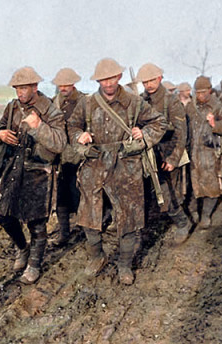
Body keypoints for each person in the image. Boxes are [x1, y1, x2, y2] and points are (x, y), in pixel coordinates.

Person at [67, 58, 166, 285]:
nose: (108, 83)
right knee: (89, 216)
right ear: (98, 80)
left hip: (126, 165)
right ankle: (97, 257)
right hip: (95, 165)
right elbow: (71, 126)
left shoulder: (134, 102)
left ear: (119, 77)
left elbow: (159, 123)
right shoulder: (87, 103)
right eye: (104, 79)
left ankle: (124, 265)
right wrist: (78, 137)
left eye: (112, 78)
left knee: (128, 218)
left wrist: (144, 135)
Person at [0, 67, 66, 284]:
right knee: (4, 215)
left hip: (38, 172)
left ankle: (34, 265)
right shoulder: (12, 107)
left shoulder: (50, 110)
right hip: (14, 169)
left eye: (24, 88)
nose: (20, 93)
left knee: (37, 223)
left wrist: (39, 126)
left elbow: (60, 143)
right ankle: (23, 248)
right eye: (17, 88)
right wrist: (0, 134)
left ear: (35, 87)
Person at [137, 63, 192, 244]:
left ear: (159, 78)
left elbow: (181, 131)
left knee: (168, 193)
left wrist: (173, 158)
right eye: (145, 82)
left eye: (152, 80)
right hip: (147, 153)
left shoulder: (171, 101)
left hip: (167, 153)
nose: (149, 85)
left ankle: (183, 223)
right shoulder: (141, 100)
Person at [185, 76, 222, 229]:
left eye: (203, 92)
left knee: (212, 186)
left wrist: (215, 124)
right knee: (193, 184)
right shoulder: (190, 107)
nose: (200, 96)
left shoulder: (218, 107)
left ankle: (206, 215)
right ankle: (194, 212)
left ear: (210, 90)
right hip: (193, 152)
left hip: (211, 154)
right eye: (198, 92)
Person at [51, 67, 85, 246]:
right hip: (60, 156)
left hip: (79, 156)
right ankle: (64, 232)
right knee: (60, 195)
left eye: (66, 84)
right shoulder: (54, 102)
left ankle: (85, 229)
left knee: (80, 193)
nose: (63, 88)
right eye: (60, 85)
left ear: (74, 84)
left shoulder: (84, 101)